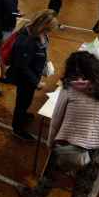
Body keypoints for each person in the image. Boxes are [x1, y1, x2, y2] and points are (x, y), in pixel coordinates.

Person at [16, 51, 99, 197]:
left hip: (70, 144)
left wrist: (50, 142)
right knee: (84, 185)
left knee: (50, 176)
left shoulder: (69, 89)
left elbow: (57, 119)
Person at [8, 10, 58, 141]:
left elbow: (41, 50)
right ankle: (17, 128)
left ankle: (23, 114)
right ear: (43, 26)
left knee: (27, 99)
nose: (49, 33)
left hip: (32, 76)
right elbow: (22, 66)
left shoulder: (39, 34)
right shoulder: (26, 41)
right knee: (22, 102)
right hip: (25, 78)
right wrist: (36, 82)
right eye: (48, 30)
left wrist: (44, 62)